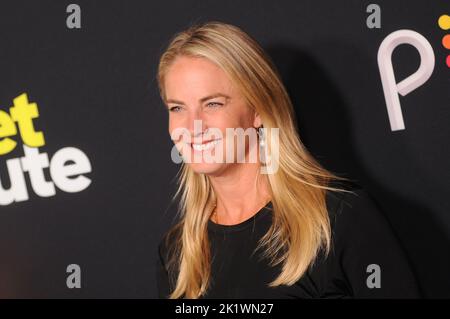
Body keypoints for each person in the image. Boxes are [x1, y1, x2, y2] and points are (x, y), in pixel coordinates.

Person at [155, 21, 421, 299]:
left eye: (213, 103)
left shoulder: (338, 219)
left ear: (258, 109)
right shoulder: (177, 254)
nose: (193, 126)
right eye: (177, 108)